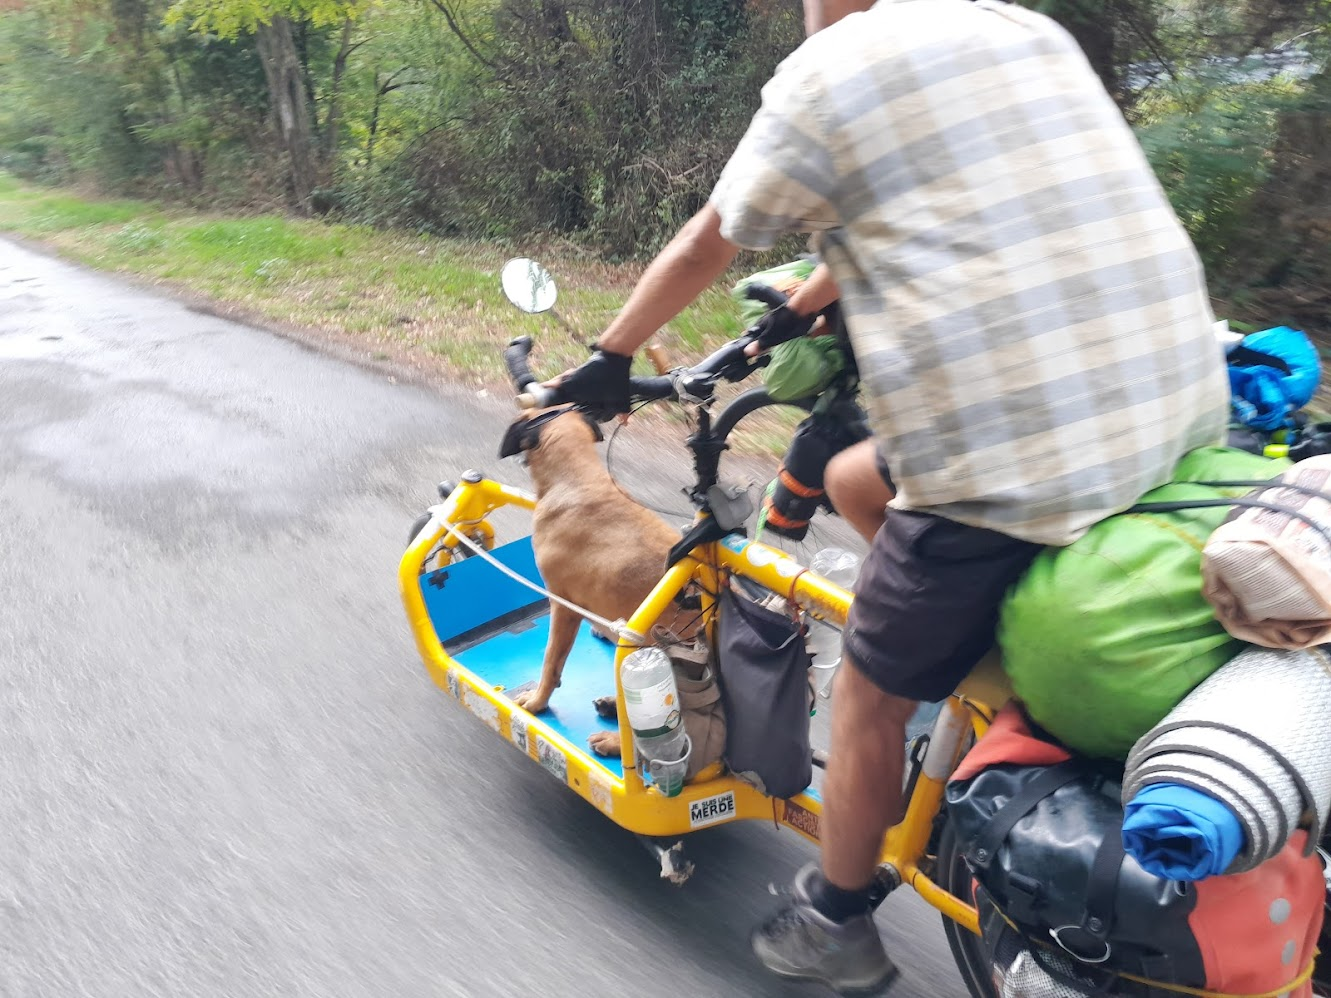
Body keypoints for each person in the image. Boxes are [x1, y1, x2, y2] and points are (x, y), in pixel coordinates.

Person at [549, 0, 1231, 992]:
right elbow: (944, 208)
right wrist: (795, 308)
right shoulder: (1017, 28)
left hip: (1011, 456)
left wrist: (610, 355)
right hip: (1178, 407)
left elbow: (711, 238)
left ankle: (834, 917)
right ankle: (966, 652)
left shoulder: (828, 72)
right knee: (850, 474)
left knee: (867, 685)